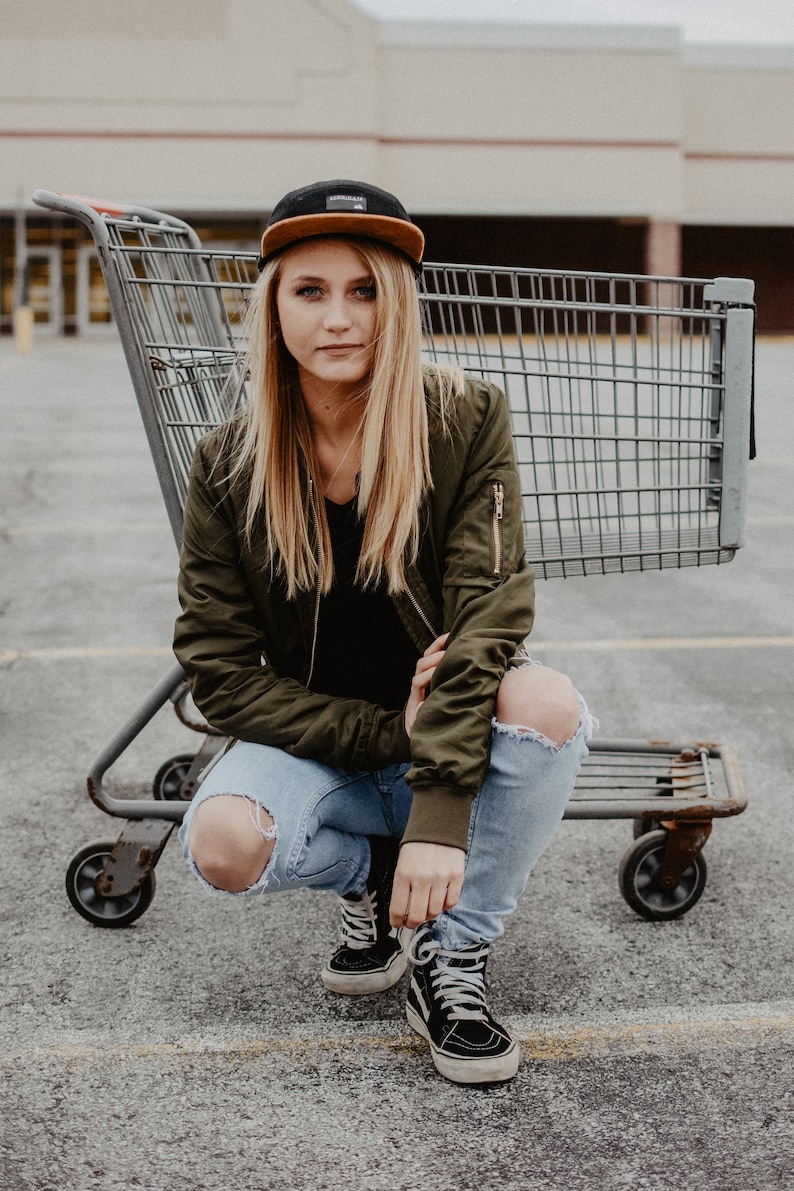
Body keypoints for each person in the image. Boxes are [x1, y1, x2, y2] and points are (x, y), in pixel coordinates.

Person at [174, 179, 595, 1085]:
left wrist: (441, 806)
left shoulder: (464, 419)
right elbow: (217, 670)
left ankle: (453, 955)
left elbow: (491, 612)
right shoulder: (229, 464)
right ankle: (371, 874)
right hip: (329, 744)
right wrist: (381, 732)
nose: (340, 317)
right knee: (222, 843)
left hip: (444, 741)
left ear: (397, 303)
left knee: (546, 700)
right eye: (310, 289)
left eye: (365, 289)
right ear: (274, 306)